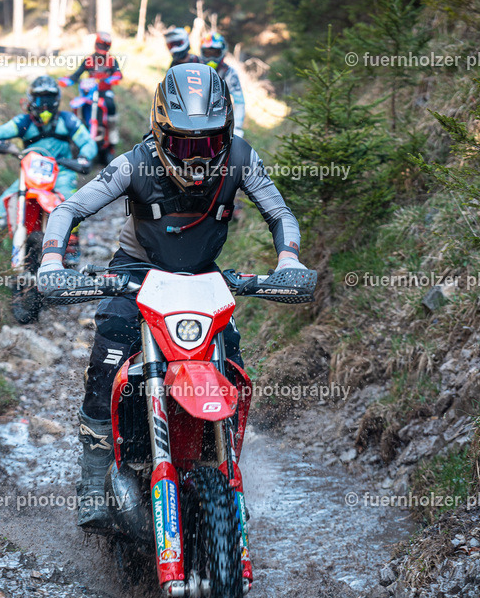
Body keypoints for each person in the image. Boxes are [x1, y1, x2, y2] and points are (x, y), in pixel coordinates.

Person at [37, 63, 307, 530]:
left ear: (225, 133)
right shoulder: (135, 163)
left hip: (202, 278)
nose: (197, 155)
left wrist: (288, 261)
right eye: (184, 143)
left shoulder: (241, 158)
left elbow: (279, 211)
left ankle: (223, 463)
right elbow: (69, 209)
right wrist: (51, 262)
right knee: (109, 355)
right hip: (137, 274)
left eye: (208, 141)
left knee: (233, 363)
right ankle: (93, 478)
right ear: (160, 131)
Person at [0, 75, 97, 232]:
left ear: (56, 99)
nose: (44, 105)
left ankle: (70, 249)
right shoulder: (24, 122)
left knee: (70, 211)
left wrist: (84, 157)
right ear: (31, 99)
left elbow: (87, 142)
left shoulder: (67, 120)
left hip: (61, 173)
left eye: (49, 99)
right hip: (30, 177)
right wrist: (9, 148)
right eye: (40, 99)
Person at [59, 31, 122, 155]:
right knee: (77, 105)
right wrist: (68, 80)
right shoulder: (89, 60)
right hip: (89, 92)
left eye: (105, 46)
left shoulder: (111, 61)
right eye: (101, 45)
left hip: (105, 91)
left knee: (111, 105)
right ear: (96, 44)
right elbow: (77, 74)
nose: (102, 48)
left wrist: (112, 78)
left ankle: (112, 138)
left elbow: (118, 73)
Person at [200, 31, 245, 137]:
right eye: (207, 53)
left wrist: (237, 127)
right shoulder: (194, 70)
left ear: (222, 52)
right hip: (192, 119)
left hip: (220, 123)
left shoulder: (230, 73)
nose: (211, 57)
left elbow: (239, 102)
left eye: (215, 53)